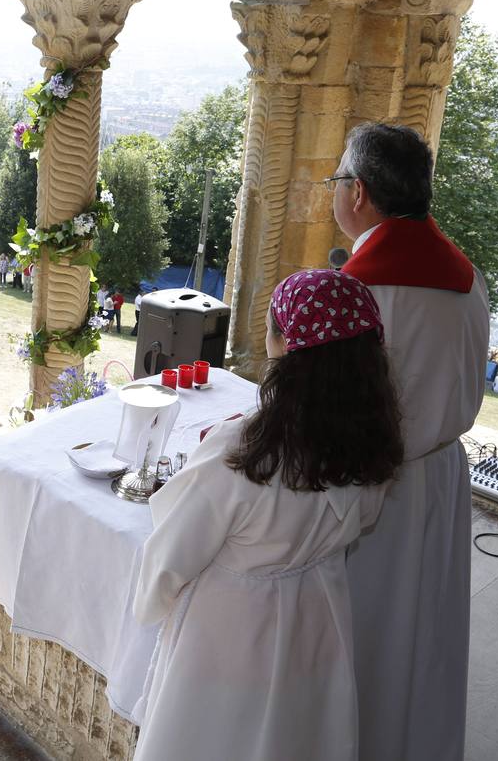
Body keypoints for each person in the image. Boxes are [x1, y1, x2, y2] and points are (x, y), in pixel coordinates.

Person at [133, 270, 401, 761]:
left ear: (284, 345)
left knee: (214, 737)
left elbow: (175, 551)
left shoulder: (246, 449)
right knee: (290, 736)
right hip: (315, 620)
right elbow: (361, 518)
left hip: (229, 631)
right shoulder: (373, 443)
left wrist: (149, 603)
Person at [330, 122, 490, 760]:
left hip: (373, 487)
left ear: (361, 193)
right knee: (428, 627)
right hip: (443, 476)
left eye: (338, 179)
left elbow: (331, 409)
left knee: (367, 631)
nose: (334, 192)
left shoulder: (356, 292)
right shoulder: (467, 278)